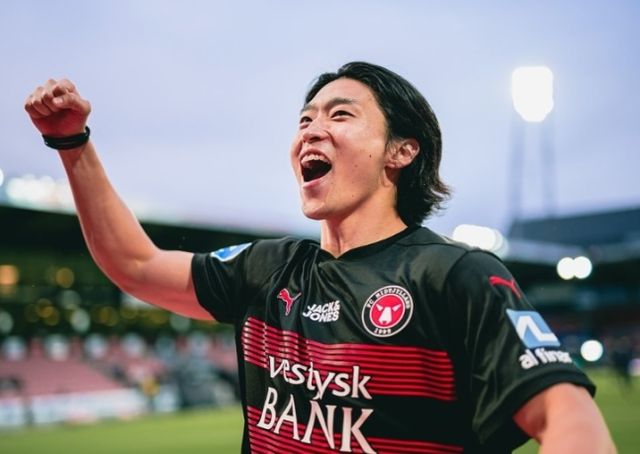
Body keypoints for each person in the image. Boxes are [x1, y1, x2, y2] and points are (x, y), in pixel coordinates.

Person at [25, 62, 615, 453]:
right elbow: (135, 265)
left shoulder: (454, 275)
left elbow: (566, 415)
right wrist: (72, 144)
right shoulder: (268, 269)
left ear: (401, 152)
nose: (310, 130)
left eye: (340, 115)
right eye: (304, 119)